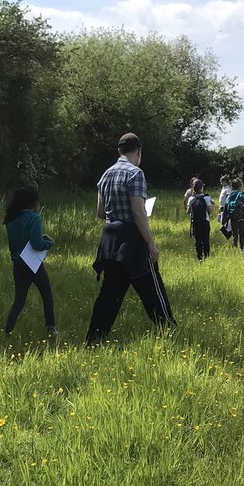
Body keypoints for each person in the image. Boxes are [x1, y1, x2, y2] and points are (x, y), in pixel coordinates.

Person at [85, 133, 175, 344]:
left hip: (110, 243)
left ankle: (94, 339)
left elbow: (100, 212)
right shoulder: (136, 174)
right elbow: (137, 211)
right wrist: (150, 243)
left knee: (109, 294)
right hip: (132, 240)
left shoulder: (105, 175)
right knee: (152, 288)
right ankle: (168, 329)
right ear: (139, 152)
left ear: (119, 151)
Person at [3, 186, 57, 338]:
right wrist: (49, 243)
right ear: (33, 204)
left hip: (18, 264)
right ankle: (51, 328)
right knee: (47, 295)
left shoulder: (11, 219)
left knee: (19, 300)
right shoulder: (34, 218)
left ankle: (8, 329)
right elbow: (37, 244)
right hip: (33, 264)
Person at [187, 179, 213, 261]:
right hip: (205, 222)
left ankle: (199, 258)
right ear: (202, 188)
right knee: (206, 240)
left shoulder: (191, 199)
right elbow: (210, 211)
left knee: (198, 241)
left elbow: (188, 211)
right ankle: (207, 256)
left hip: (195, 223)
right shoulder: (207, 198)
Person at [223, 179, 244, 251]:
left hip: (233, 217)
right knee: (241, 234)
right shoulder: (241, 194)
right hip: (242, 217)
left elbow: (226, 207)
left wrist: (224, 220)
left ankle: (234, 249)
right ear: (240, 185)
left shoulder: (230, 196)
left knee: (235, 234)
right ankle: (242, 249)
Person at [218, 173, 233, 240]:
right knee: (223, 223)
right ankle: (228, 236)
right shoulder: (223, 188)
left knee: (226, 224)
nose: (221, 183)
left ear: (225, 181)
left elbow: (229, 198)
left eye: (222, 182)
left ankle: (230, 236)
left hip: (225, 208)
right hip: (222, 208)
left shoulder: (227, 189)